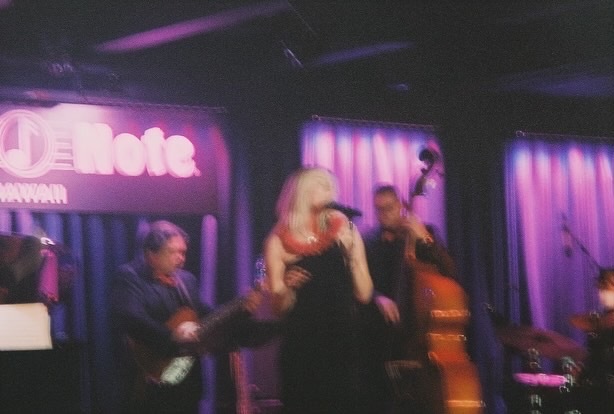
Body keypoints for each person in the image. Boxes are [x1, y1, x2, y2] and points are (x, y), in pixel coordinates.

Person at [111, 220, 261, 414]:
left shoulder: (187, 280)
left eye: (183, 252)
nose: (181, 259)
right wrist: (171, 336)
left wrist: (241, 309)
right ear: (151, 254)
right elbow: (131, 317)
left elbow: (208, 315)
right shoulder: (129, 276)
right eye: (173, 252)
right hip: (148, 382)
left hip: (187, 382)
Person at [263, 166, 374, 413]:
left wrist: (351, 256)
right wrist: (286, 289)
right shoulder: (277, 241)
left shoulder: (346, 229)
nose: (330, 190)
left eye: (331, 186)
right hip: (302, 345)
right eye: (322, 185)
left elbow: (365, 294)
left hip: (341, 341)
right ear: (302, 192)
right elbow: (278, 309)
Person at [361, 184, 457, 414]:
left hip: (421, 337)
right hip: (381, 337)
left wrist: (424, 237)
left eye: (389, 208)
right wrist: (378, 298)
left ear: (402, 205)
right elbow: (361, 282)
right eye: (379, 209)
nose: (384, 214)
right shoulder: (369, 242)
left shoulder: (423, 234)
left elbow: (450, 272)